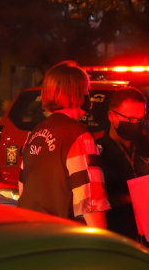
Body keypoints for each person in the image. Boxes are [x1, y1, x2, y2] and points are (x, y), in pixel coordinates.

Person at [18, 62, 110, 228]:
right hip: (63, 236)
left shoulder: (35, 133)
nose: (88, 95)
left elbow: (23, 188)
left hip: (29, 230)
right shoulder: (78, 135)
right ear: (76, 93)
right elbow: (91, 201)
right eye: (86, 90)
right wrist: (102, 243)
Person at [97, 88, 149, 256]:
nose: (135, 123)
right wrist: (130, 198)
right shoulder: (97, 152)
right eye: (130, 119)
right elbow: (92, 202)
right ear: (111, 116)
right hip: (119, 242)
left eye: (141, 119)